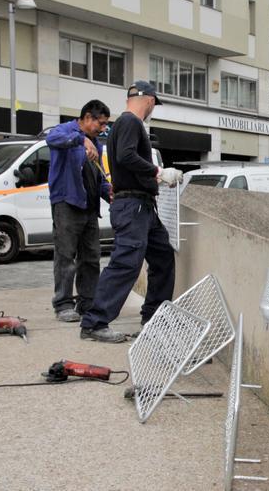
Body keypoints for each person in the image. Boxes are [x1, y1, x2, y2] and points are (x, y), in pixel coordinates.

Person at [78, 81, 184, 342]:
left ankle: (153, 317)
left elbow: (125, 163)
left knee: (162, 257)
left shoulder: (122, 125)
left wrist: (154, 180)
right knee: (126, 264)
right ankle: (94, 322)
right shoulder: (131, 123)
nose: (152, 109)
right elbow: (126, 157)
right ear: (148, 100)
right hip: (134, 207)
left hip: (141, 206)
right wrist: (158, 171)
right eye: (153, 105)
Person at [46, 100, 112, 322]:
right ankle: (63, 304)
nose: (103, 128)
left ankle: (88, 302)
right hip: (67, 203)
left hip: (89, 207)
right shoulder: (65, 131)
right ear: (87, 118)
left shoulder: (97, 143)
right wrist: (81, 139)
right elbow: (51, 139)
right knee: (66, 256)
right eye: (101, 123)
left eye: (105, 124)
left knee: (91, 257)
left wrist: (108, 192)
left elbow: (97, 173)